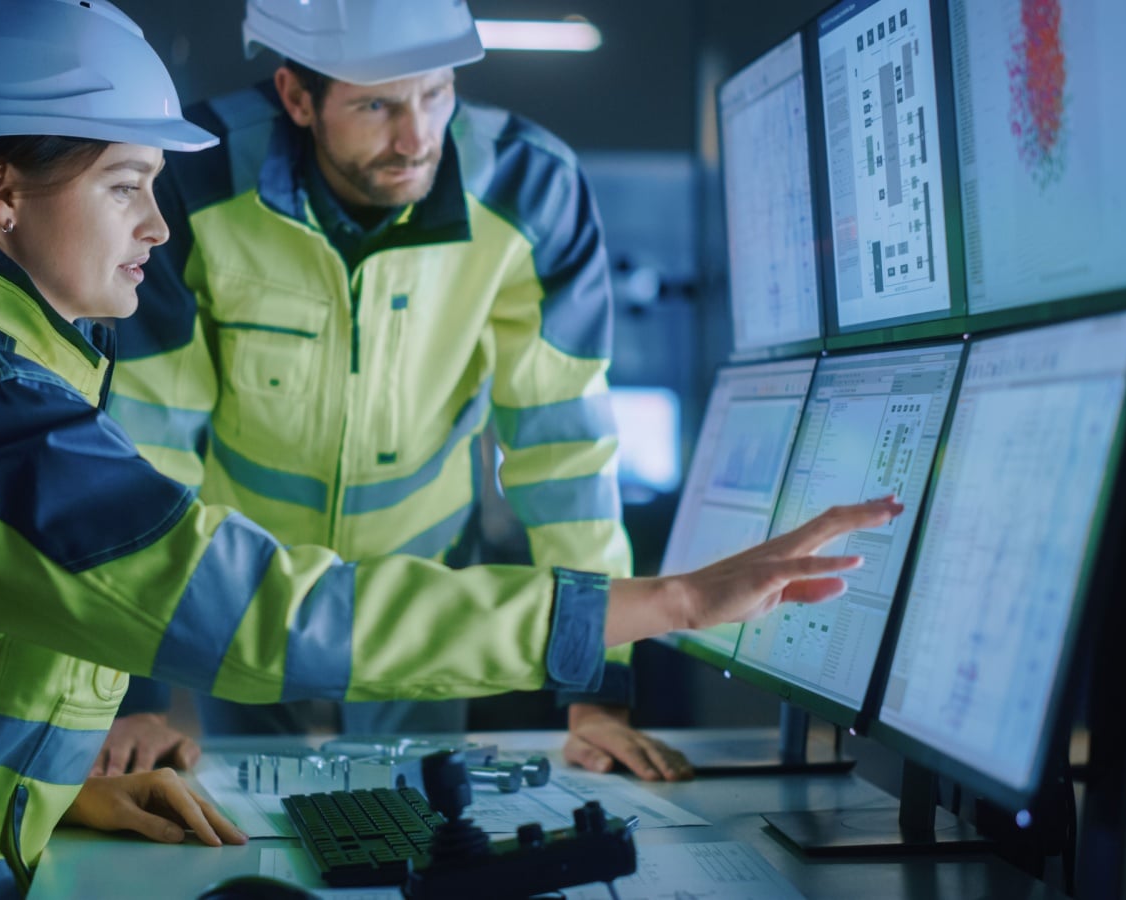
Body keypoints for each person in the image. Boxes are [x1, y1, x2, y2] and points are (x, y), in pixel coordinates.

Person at [0, 0, 900, 896]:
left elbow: (554, 445)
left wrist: (58, 784)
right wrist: (673, 599)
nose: (157, 226)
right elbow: (265, 612)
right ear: (4, 194)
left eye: (434, 94)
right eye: (125, 185)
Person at [104, 0, 688, 780]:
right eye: (376, 104)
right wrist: (137, 688)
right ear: (297, 96)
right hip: (237, 582)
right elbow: (149, 440)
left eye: (436, 93)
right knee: (232, 827)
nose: (417, 138)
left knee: (416, 830)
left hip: (424, 589)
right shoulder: (192, 180)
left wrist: (597, 690)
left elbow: (566, 453)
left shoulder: (530, 189)